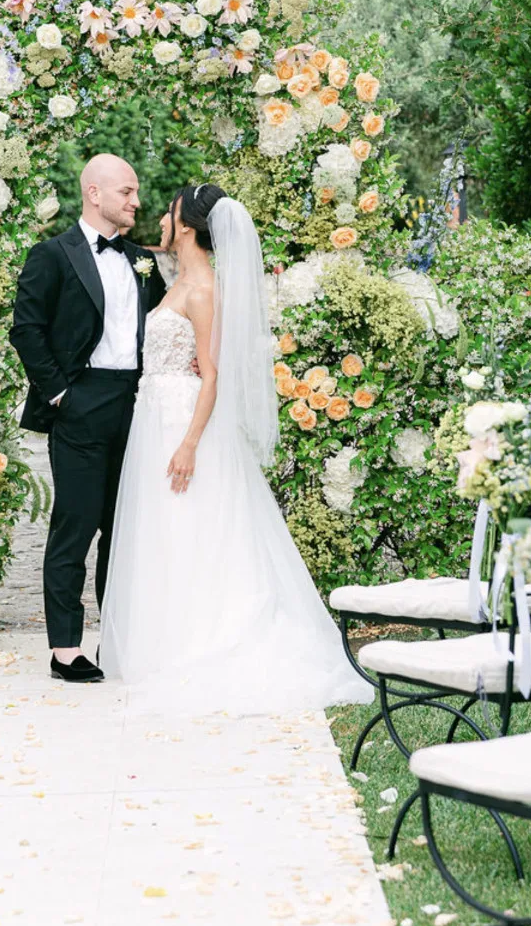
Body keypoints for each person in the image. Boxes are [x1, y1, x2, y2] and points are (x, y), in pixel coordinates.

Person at [98, 183, 374, 713]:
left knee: (191, 529)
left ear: (184, 224)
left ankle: (202, 643)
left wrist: (190, 444)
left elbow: (213, 375)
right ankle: (166, 640)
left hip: (181, 425)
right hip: (155, 416)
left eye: (168, 211)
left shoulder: (203, 288)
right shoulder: (181, 279)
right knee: (166, 533)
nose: (157, 216)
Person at [10, 154, 166, 682]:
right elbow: (26, 330)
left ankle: (118, 641)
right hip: (80, 403)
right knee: (74, 528)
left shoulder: (142, 260)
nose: (136, 201)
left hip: (137, 404)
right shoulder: (52, 255)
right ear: (95, 194)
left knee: (123, 532)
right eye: (127, 191)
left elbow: (164, 324)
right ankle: (67, 650)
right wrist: (60, 396)